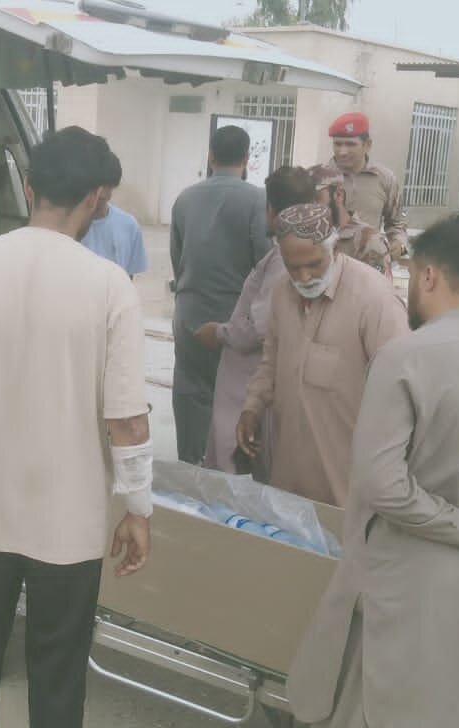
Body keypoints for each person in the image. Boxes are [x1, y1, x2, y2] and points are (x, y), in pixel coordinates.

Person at [0, 126, 153, 728]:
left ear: (28, 185)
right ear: (96, 198)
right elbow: (128, 421)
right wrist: (138, 508)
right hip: (67, 525)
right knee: (57, 681)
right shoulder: (110, 286)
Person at [287, 214, 459, 728]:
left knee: (369, 720)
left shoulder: (405, 357)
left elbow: (382, 486)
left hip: (403, 576)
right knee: (447, 721)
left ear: (428, 276)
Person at [236, 204, 408, 507]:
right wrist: (252, 407)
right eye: (293, 267)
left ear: (335, 249)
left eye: (314, 265)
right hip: (290, 475)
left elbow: (403, 391)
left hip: (347, 484)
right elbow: (270, 362)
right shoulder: (282, 292)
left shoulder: (374, 298)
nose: (304, 277)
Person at [198, 166, 317, 479]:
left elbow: (258, 327)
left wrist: (219, 333)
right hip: (257, 377)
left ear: (271, 210)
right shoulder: (296, 256)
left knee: (237, 464)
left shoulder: (284, 261)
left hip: (249, 379)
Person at [171, 125, 270, 464]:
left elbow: (178, 259)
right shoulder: (257, 200)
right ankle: (226, 471)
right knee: (234, 399)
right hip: (235, 320)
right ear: (247, 158)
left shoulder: (184, 198)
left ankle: (190, 466)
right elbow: (265, 265)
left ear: (210, 156)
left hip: (190, 313)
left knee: (190, 393)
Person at [328, 112, 409, 259]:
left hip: (369, 264)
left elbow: (397, 222)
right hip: (330, 265)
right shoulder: (317, 179)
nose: (342, 152)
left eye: (350, 144)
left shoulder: (385, 178)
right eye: (337, 144)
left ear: (367, 145)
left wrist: (399, 244)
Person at [310, 163, 393, 279]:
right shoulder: (307, 238)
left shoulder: (370, 241)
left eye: (315, 199)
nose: (308, 208)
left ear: (338, 195)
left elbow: (381, 288)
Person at [80, 151, 147, 277]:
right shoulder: (70, 225)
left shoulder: (129, 225)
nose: (101, 194)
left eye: (107, 186)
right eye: (97, 186)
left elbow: (129, 277)